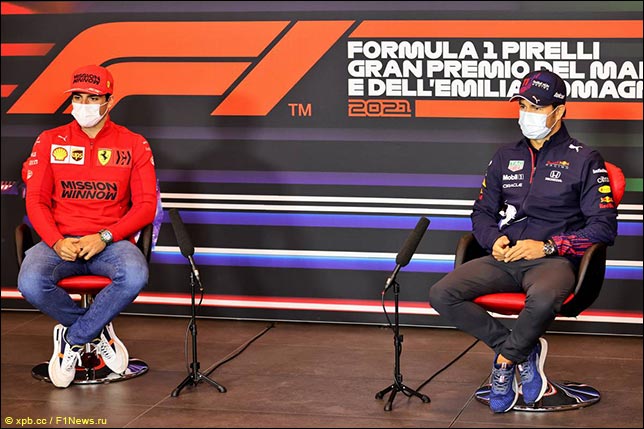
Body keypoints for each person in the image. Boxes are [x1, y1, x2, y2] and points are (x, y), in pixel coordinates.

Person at [428, 69, 618, 413]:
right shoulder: (504, 156)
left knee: (543, 297)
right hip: (506, 257)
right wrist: (494, 239)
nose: (527, 114)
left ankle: (504, 363)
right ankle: (522, 350)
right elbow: (482, 212)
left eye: (537, 107)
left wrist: (548, 246)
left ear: (559, 112)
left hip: (553, 261)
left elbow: (603, 227)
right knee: (441, 293)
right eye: (523, 106)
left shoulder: (585, 159)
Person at [17, 64, 158, 388]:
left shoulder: (134, 143)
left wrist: (105, 236)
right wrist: (56, 241)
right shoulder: (50, 141)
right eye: (78, 97)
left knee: (135, 274)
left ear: (109, 101)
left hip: (111, 242)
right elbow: (36, 200)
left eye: (93, 98)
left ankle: (73, 338)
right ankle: (96, 330)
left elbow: (146, 206)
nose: (84, 105)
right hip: (60, 241)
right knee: (30, 282)